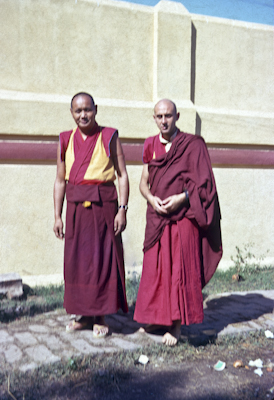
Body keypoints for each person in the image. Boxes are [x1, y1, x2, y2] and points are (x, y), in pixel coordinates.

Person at [134, 99, 222, 346]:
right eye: (159, 116)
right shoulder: (150, 144)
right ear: (154, 118)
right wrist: (151, 199)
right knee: (155, 271)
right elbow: (144, 181)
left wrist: (182, 198)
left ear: (177, 116)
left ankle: (175, 325)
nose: (164, 121)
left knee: (178, 272)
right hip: (157, 216)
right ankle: (155, 319)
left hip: (183, 216)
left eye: (168, 116)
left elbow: (206, 186)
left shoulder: (192, 145)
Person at [53, 92, 129, 337]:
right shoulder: (65, 139)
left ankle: (101, 316)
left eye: (87, 109)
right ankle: (83, 316)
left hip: (103, 208)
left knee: (102, 260)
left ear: (96, 109)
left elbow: (123, 175)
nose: (83, 115)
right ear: (71, 113)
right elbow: (59, 180)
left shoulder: (109, 136)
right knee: (77, 263)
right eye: (78, 111)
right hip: (76, 210)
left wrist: (122, 210)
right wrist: (57, 215)